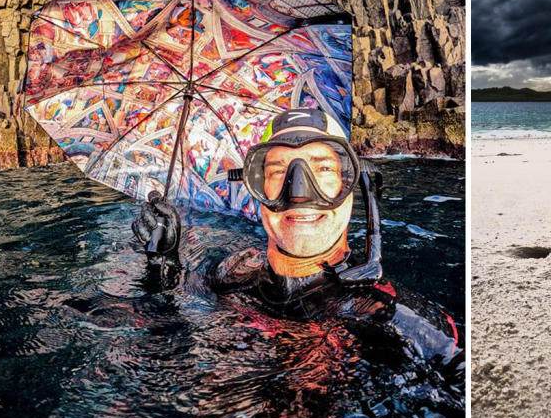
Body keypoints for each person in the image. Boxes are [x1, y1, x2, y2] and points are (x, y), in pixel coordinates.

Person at [131, 106, 459, 359]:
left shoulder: (390, 316)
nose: (299, 193)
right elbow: (165, 316)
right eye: (277, 171)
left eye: (324, 168)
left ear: (353, 185)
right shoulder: (234, 270)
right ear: (257, 187)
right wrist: (162, 263)